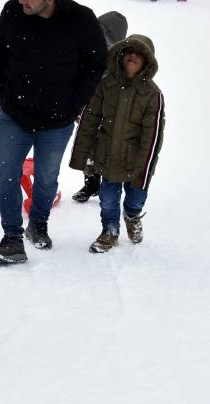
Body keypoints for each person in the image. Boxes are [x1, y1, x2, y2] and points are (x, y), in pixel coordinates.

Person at [0, 0, 107, 263]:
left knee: (47, 177)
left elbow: (96, 65)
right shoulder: (13, 11)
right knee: (7, 176)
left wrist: (74, 103)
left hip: (57, 120)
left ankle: (38, 224)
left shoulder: (82, 21)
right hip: (15, 113)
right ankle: (12, 237)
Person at [69, 35, 165, 253]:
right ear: (120, 56)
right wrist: (82, 156)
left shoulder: (152, 94)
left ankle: (131, 216)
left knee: (136, 198)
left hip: (137, 161)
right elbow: (89, 119)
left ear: (147, 62)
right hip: (108, 157)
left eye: (139, 54)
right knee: (108, 201)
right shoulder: (106, 86)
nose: (132, 56)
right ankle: (110, 230)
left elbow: (154, 135)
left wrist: (145, 168)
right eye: (128, 52)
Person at [71, 11, 128, 203]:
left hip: (110, 111)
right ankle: (91, 183)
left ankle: (107, 187)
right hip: (88, 105)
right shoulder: (88, 46)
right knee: (88, 145)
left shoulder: (122, 57)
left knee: (107, 147)